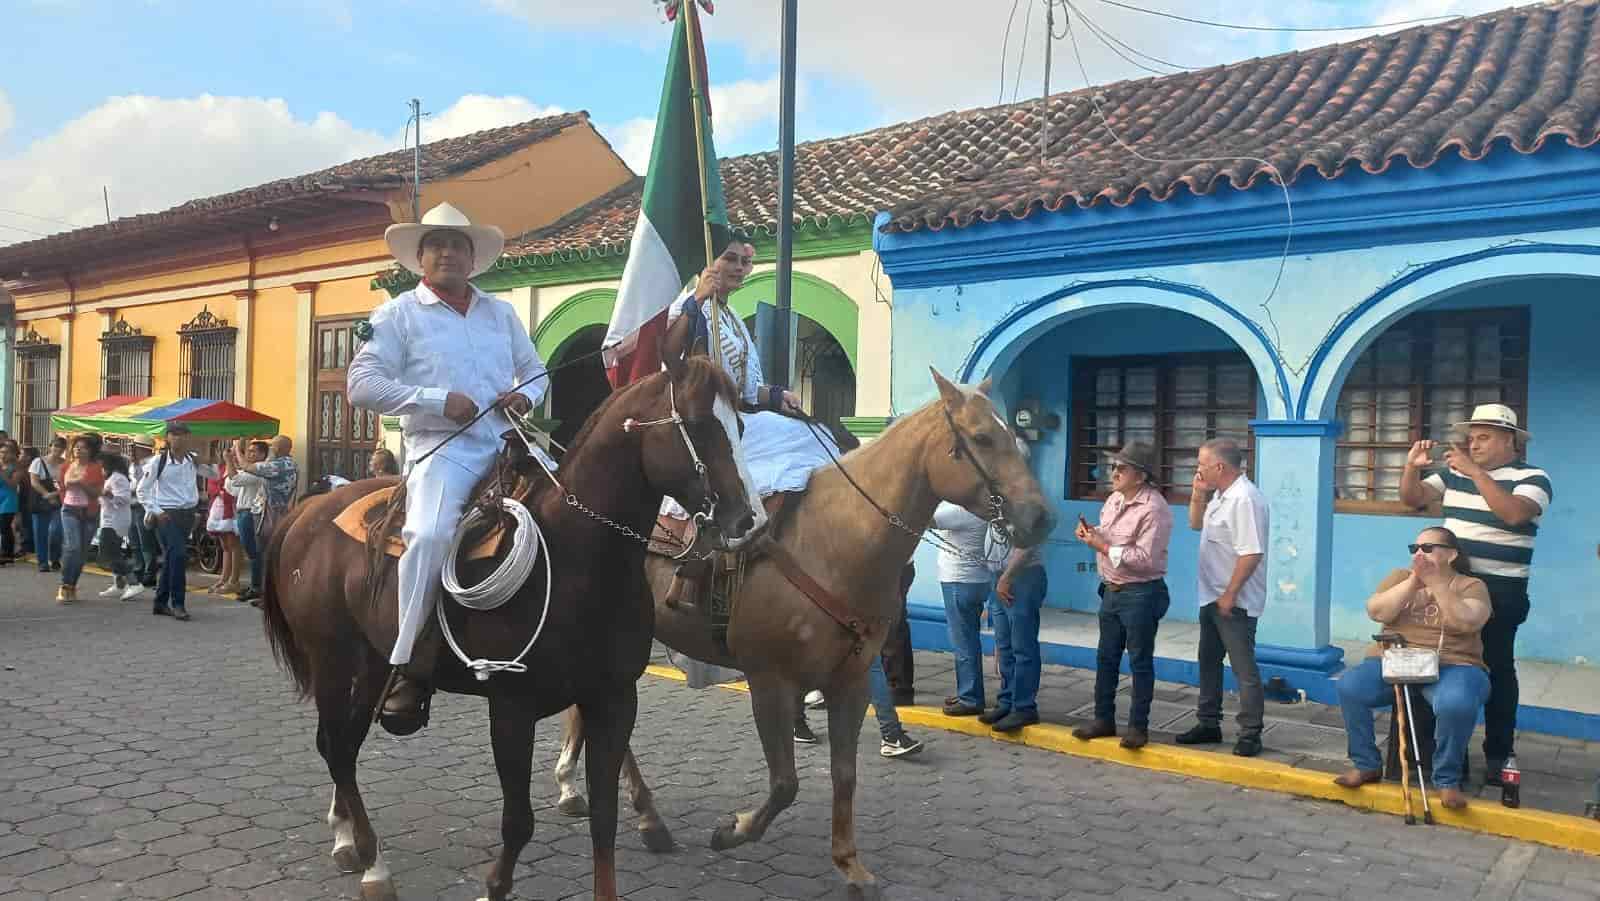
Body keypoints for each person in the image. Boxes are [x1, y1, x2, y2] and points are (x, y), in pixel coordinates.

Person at [347, 202, 547, 726]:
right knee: (432, 535)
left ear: (473, 257)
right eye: (437, 245)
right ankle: (407, 661)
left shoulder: (500, 312)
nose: (448, 253)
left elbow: (536, 371)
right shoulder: (396, 315)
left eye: (458, 246)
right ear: (420, 258)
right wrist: (436, 399)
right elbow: (360, 386)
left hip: (509, 442)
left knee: (583, 503)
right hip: (446, 450)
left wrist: (525, 398)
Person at [1399, 403, 1550, 785]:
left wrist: (1476, 473)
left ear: (1508, 440)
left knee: (1497, 669)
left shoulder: (1533, 477)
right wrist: (1411, 467)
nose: (1473, 443)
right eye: (1472, 436)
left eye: (1483, 437)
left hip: (1501, 590)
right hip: (1450, 585)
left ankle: (1499, 755)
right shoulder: (1454, 474)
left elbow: (1513, 514)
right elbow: (1412, 499)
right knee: (1447, 667)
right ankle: (1451, 756)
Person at [1335, 527, 1491, 810]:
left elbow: (1466, 622)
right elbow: (1377, 611)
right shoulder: (1399, 578)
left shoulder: (1471, 585)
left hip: (1454, 664)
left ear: (1452, 554)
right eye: (1415, 548)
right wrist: (1413, 582)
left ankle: (1447, 780)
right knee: (1350, 687)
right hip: (1397, 659)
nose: (1419, 553)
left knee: (1456, 703)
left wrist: (1438, 584)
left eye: (1428, 548)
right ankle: (1366, 764)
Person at [1071, 441, 1174, 749]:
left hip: (1141, 592)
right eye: (1113, 466)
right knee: (1106, 658)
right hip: (1112, 590)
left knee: (1140, 661)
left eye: (1121, 468)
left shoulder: (1155, 509)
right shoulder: (1115, 499)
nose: (1114, 473)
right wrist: (1092, 533)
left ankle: (1138, 727)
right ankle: (1103, 719)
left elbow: (1146, 559)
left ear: (1140, 476)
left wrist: (1101, 546)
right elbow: (1109, 531)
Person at [1177, 437, 1269, 757]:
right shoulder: (1219, 496)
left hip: (1234, 600)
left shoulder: (1245, 499)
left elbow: (1251, 553)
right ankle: (1208, 723)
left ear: (1220, 466)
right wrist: (1198, 494)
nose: (1198, 470)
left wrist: (1230, 594)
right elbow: (1193, 524)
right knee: (1209, 661)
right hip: (1211, 594)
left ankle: (1250, 732)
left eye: (1202, 464)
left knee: (1243, 668)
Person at [984, 439, 1052, 734]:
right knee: (1005, 645)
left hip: (1019, 578)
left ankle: (1024, 707)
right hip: (999, 577)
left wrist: (1006, 577)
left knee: (1023, 646)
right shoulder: (1001, 496)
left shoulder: (1029, 498)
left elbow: (1027, 544)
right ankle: (1007, 700)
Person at [931, 501, 1001, 717]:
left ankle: (970, 698)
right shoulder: (984, 509)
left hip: (958, 582)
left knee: (963, 642)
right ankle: (968, 692)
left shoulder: (962, 511)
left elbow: (926, 519)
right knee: (969, 639)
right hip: (977, 580)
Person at [139, 424, 211, 621]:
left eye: (183, 435)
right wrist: (156, 511)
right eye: (174, 435)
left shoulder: (191, 460)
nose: (178, 439)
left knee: (173, 558)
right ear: (167, 438)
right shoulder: (158, 461)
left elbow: (214, 475)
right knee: (179, 555)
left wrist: (203, 459)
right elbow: (142, 490)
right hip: (167, 514)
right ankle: (178, 603)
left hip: (188, 514)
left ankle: (160, 602)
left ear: (188, 438)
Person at [57, 434, 107, 604]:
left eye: (83, 447)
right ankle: (64, 584)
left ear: (90, 451)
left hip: (89, 513)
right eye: (76, 447)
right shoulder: (66, 466)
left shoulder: (96, 468)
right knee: (73, 546)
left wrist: (82, 483)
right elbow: (63, 487)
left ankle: (72, 585)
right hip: (69, 510)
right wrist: (74, 482)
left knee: (81, 553)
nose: (78, 449)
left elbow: (97, 493)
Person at [93, 452, 143, 601]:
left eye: (101, 466)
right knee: (112, 552)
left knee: (110, 554)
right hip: (109, 520)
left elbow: (123, 499)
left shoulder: (118, 479)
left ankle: (134, 583)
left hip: (115, 521)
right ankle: (118, 584)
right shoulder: (111, 478)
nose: (100, 470)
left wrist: (107, 495)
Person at [225, 440, 270, 603]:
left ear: (262, 455)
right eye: (248, 451)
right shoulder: (249, 470)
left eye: (253, 452)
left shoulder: (259, 470)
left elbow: (235, 480)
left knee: (254, 551)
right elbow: (233, 488)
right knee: (251, 551)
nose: (249, 454)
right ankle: (255, 585)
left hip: (251, 513)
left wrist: (231, 459)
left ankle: (257, 586)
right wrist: (233, 465)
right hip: (243, 512)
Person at [204, 449, 242, 596]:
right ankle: (224, 578)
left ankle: (234, 579)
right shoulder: (218, 469)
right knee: (225, 546)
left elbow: (235, 486)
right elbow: (211, 486)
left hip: (232, 509)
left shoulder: (237, 469)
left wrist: (223, 491)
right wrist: (218, 491)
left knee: (234, 545)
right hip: (219, 508)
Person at [29, 436, 67, 573]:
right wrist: (47, 495)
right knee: (40, 532)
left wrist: (56, 495)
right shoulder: (38, 462)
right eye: (55, 445)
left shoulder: (66, 463)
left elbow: (67, 483)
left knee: (57, 531)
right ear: (50, 446)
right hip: (41, 500)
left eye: (61, 447)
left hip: (59, 500)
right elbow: (34, 482)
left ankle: (55, 558)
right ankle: (43, 562)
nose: (58, 449)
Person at [127, 440, 159, 585]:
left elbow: (145, 486)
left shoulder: (151, 463)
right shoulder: (134, 464)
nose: (131, 451)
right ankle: (138, 569)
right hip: (132, 505)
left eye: (133, 448)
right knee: (134, 542)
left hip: (144, 506)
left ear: (143, 449)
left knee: (146, 541)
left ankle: (149, 573)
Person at [0, 440, 21, 565]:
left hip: (9, 499)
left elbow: (13, 485)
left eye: (6, 452)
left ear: (12, 454)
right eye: (1, 452)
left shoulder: (16, 468)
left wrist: (2, 473)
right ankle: (7, 553)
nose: (3, 455)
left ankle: (6, 553)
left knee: (4, 526)